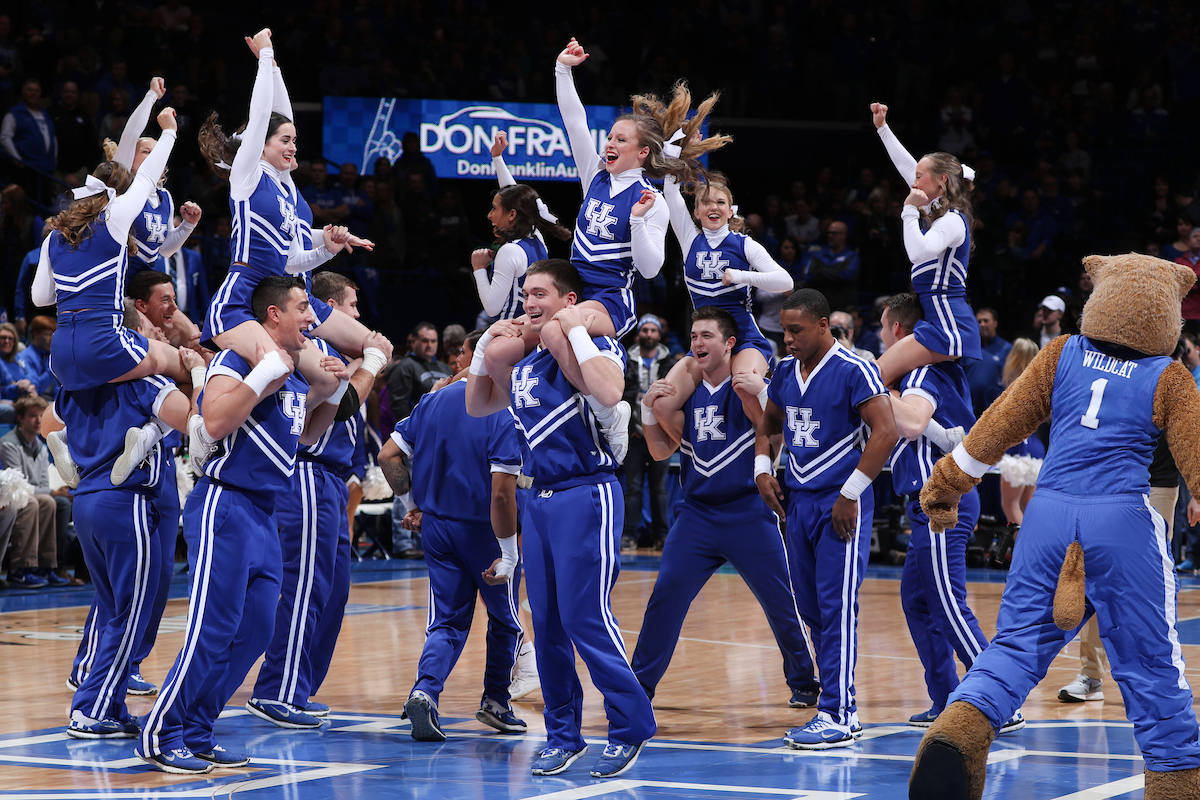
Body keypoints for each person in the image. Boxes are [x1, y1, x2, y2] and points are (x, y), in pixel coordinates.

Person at [481, 38, 717, 463]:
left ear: (642, 152)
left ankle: (608, 413)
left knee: (555, 329)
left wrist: (641, 221)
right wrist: (562, 69)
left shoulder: (651, 198)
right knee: (496, 348)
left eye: (620, 139)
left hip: (610, 299)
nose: (609, 142)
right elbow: (574, 120)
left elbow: (649, 270)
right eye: (609, 136)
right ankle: (526, 417)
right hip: (569, 289)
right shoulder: (595, 178)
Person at [138, 277, 339, 774]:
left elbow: (308, 436)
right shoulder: (238, 361)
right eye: (303, 309)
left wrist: (330, 390)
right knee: (212, 630)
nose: (312, 319)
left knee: (255, 631)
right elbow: (214, 418)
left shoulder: (290, 377)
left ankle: (199, 728)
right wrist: (263, 374)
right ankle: (162, 731)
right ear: (273, 315)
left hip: (265, 512)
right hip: (223, 506)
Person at [465, 259, 656, 778]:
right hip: (539, 498)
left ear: (569, 301)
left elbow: (611, 392)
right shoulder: (526, 364)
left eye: (541, 294)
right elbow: (479, 402)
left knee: (585, 618)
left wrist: (568, 331)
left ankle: (629, 727)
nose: (528, 303)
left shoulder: (592, 345)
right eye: (525, 294)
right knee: (547, 625)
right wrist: (486, 348)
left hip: (587, 492)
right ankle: (563, 733)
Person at [193, 29, 372, 470]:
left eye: (294, 140)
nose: (293, 146)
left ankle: (280, 434)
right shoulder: (248, 175)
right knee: (275, 365)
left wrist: (327, 246)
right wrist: (266, 58)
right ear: (261, 146)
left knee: (329, 384)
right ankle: (203, 425)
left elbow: (291, 260)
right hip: (242, 296)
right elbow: (263, 118)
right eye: (284, 141)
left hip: (281, 293)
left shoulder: (287, 187)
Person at [632, 306, 820, 708]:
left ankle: (804, 679)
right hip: (696, 513)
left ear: (730, 344)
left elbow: (779, 432)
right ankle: (640, 685)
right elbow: (660, 450)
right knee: (665, 595)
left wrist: (764, 390)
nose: (697, 343)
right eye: (694, 336)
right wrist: (649, 411)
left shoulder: (747, 388)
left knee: (780, 601)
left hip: (747, 510)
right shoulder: (684, 398)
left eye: (707, 336)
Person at [754, 288, 898, 749]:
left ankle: (840, 712)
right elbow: (769, 422)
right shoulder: (783, 371)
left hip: (841, 503)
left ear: (822, 326)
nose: (788, 338)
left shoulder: (855, 368)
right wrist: (762, 469)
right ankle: (834, 707)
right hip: (797, 501)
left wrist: (851, 492)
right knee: (812, 610)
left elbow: (887, 431)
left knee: (837, 609)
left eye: (796, 330)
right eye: (784, 330)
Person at [247, 274, 391, 729]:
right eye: (351, 307)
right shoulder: (313, 351)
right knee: (303, 585)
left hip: (333, 479)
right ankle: (277, 689)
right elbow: (343, 405)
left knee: (333, 591)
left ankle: (300, 685)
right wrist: (370, 364)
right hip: (308, 472)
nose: (359, 318)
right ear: (327, 308)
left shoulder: (334, 357)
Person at [880, 293, 1023, 733]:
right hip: (931, 502)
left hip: (944, 503)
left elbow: (912, 423)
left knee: (947, 604)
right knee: (919, 602)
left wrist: (871, 386)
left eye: (884, 329)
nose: (882, 337)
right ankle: (947, 699)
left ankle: (998, 700)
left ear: (900, 331)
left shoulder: (923, 371)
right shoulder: (935, 370)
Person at [379, 326, 526, 741]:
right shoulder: (503, 410)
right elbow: (501, 495)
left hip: (437, 530)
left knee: (445, 622)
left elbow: (387, 455)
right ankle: (496, 702)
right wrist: (508, 548)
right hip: (485, 531)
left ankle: (425, 692)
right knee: (505, 621)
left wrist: (413, 507)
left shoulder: (432, 400)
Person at [59, 323, 203, 738]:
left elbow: (54, 419)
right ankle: (92, 709)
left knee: (113, 610)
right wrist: (195, 375)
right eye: (148, 332)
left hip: (85, 501)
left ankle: (110, 702)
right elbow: (198, 424)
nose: (158, 337)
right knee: (132, 615)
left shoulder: (76, 383)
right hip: (126, 502)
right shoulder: (146, 383)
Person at [30, 106, 193, 392]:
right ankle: (180, 432)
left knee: (88, 390)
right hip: (109, 329)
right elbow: (143, 176)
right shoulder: (116, 216)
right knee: (184, 366)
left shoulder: (54, 236)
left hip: (62, 350)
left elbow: (40, 298)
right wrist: (169, 131)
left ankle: (65, 428)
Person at [647, 167, 790, 424]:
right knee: (664, 403)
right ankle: (705, 453)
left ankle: (767, 451)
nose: (713, 207)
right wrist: (674, 153)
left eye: (720, 202)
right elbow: (670, 189)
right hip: (704, 342)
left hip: (744, 339)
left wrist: (744, 276)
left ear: (731, 209)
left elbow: (785, 281)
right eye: (706, 202)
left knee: (746, 385)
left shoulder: (745, 244)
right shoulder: (690, 239)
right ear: (696, 212)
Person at [870, 102, 981, 387]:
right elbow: (908, 166)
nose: (914, 182)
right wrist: (882, 129)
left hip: (948, 325)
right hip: (936, 322)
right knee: (889, 384)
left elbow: (917, 253)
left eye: (920, 178)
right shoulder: (938, 211)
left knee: (873, 380)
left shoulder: (953, 221)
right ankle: (945, 435)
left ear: (941, 180)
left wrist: (908, 209)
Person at [471, 130, 571, 321]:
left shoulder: (510, 251)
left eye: (494, 209)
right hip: (533, 330)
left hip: (513, 333)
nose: (489, 215)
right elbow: (516, 197)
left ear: (512, 215)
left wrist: (478, 269)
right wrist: (497, 158)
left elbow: (492, 308)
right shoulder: (536, 236)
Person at [107, 77, 203, 274]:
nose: (154, 157)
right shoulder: (122, 183)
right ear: (129, 157)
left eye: (157, 152)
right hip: (118, 275)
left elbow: (165, 249)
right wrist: (152, 96)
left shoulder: (165, 197)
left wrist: (187, 225)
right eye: (146, 152)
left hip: (145, 279)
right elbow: (130, 135)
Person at [0, 394, 74, 586]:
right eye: (33, 415)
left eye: (42, 415)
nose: (38, 420)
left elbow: (42, 481)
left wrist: (52, 493)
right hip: (13, 494)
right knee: (38, 501)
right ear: (20, 418)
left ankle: (46, 566)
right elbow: (16, 485)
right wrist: (50, 492)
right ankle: (20, 568)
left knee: (54, 502)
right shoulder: (8, 443)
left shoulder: (41, 446)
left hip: (34, 494)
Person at [621, 314, 671, 550]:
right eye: (645, 330)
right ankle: (629, 535)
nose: (649, 334)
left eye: (653, 330)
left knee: (659, 489)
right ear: (638, 333)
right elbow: (619, 396)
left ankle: (661, 536)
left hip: (661, 433)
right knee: (633, 488)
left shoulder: (670, 363)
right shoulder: (625, 361)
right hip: (634, 435)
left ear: (659, 335)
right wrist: (629, 428)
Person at [996, 339, 1043, 526]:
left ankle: (1027, 554)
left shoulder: (1016, 387)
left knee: (1011, 506)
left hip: (1018, 449)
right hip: (1036, 448)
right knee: (1026, 508)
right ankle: (1035, 550)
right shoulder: (1039, 385)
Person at [963, 307, 1011, 416]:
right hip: (971, 411)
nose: (982, 324)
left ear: (995, 323)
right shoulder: (968, 349)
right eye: (979, 321)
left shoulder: (1007, 349)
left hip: (997, 412)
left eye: (986, 321)